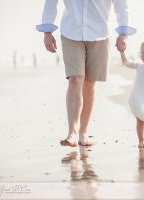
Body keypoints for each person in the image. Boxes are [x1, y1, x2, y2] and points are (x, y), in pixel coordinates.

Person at [37, 0, 136, 147]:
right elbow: (51, 2)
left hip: (100, 34)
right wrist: (47, 31)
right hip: (71, 32)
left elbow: (121, 5)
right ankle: (72, 133)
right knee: (75, 79)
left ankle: (83, 132)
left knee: (89, 84)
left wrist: (123, 34)